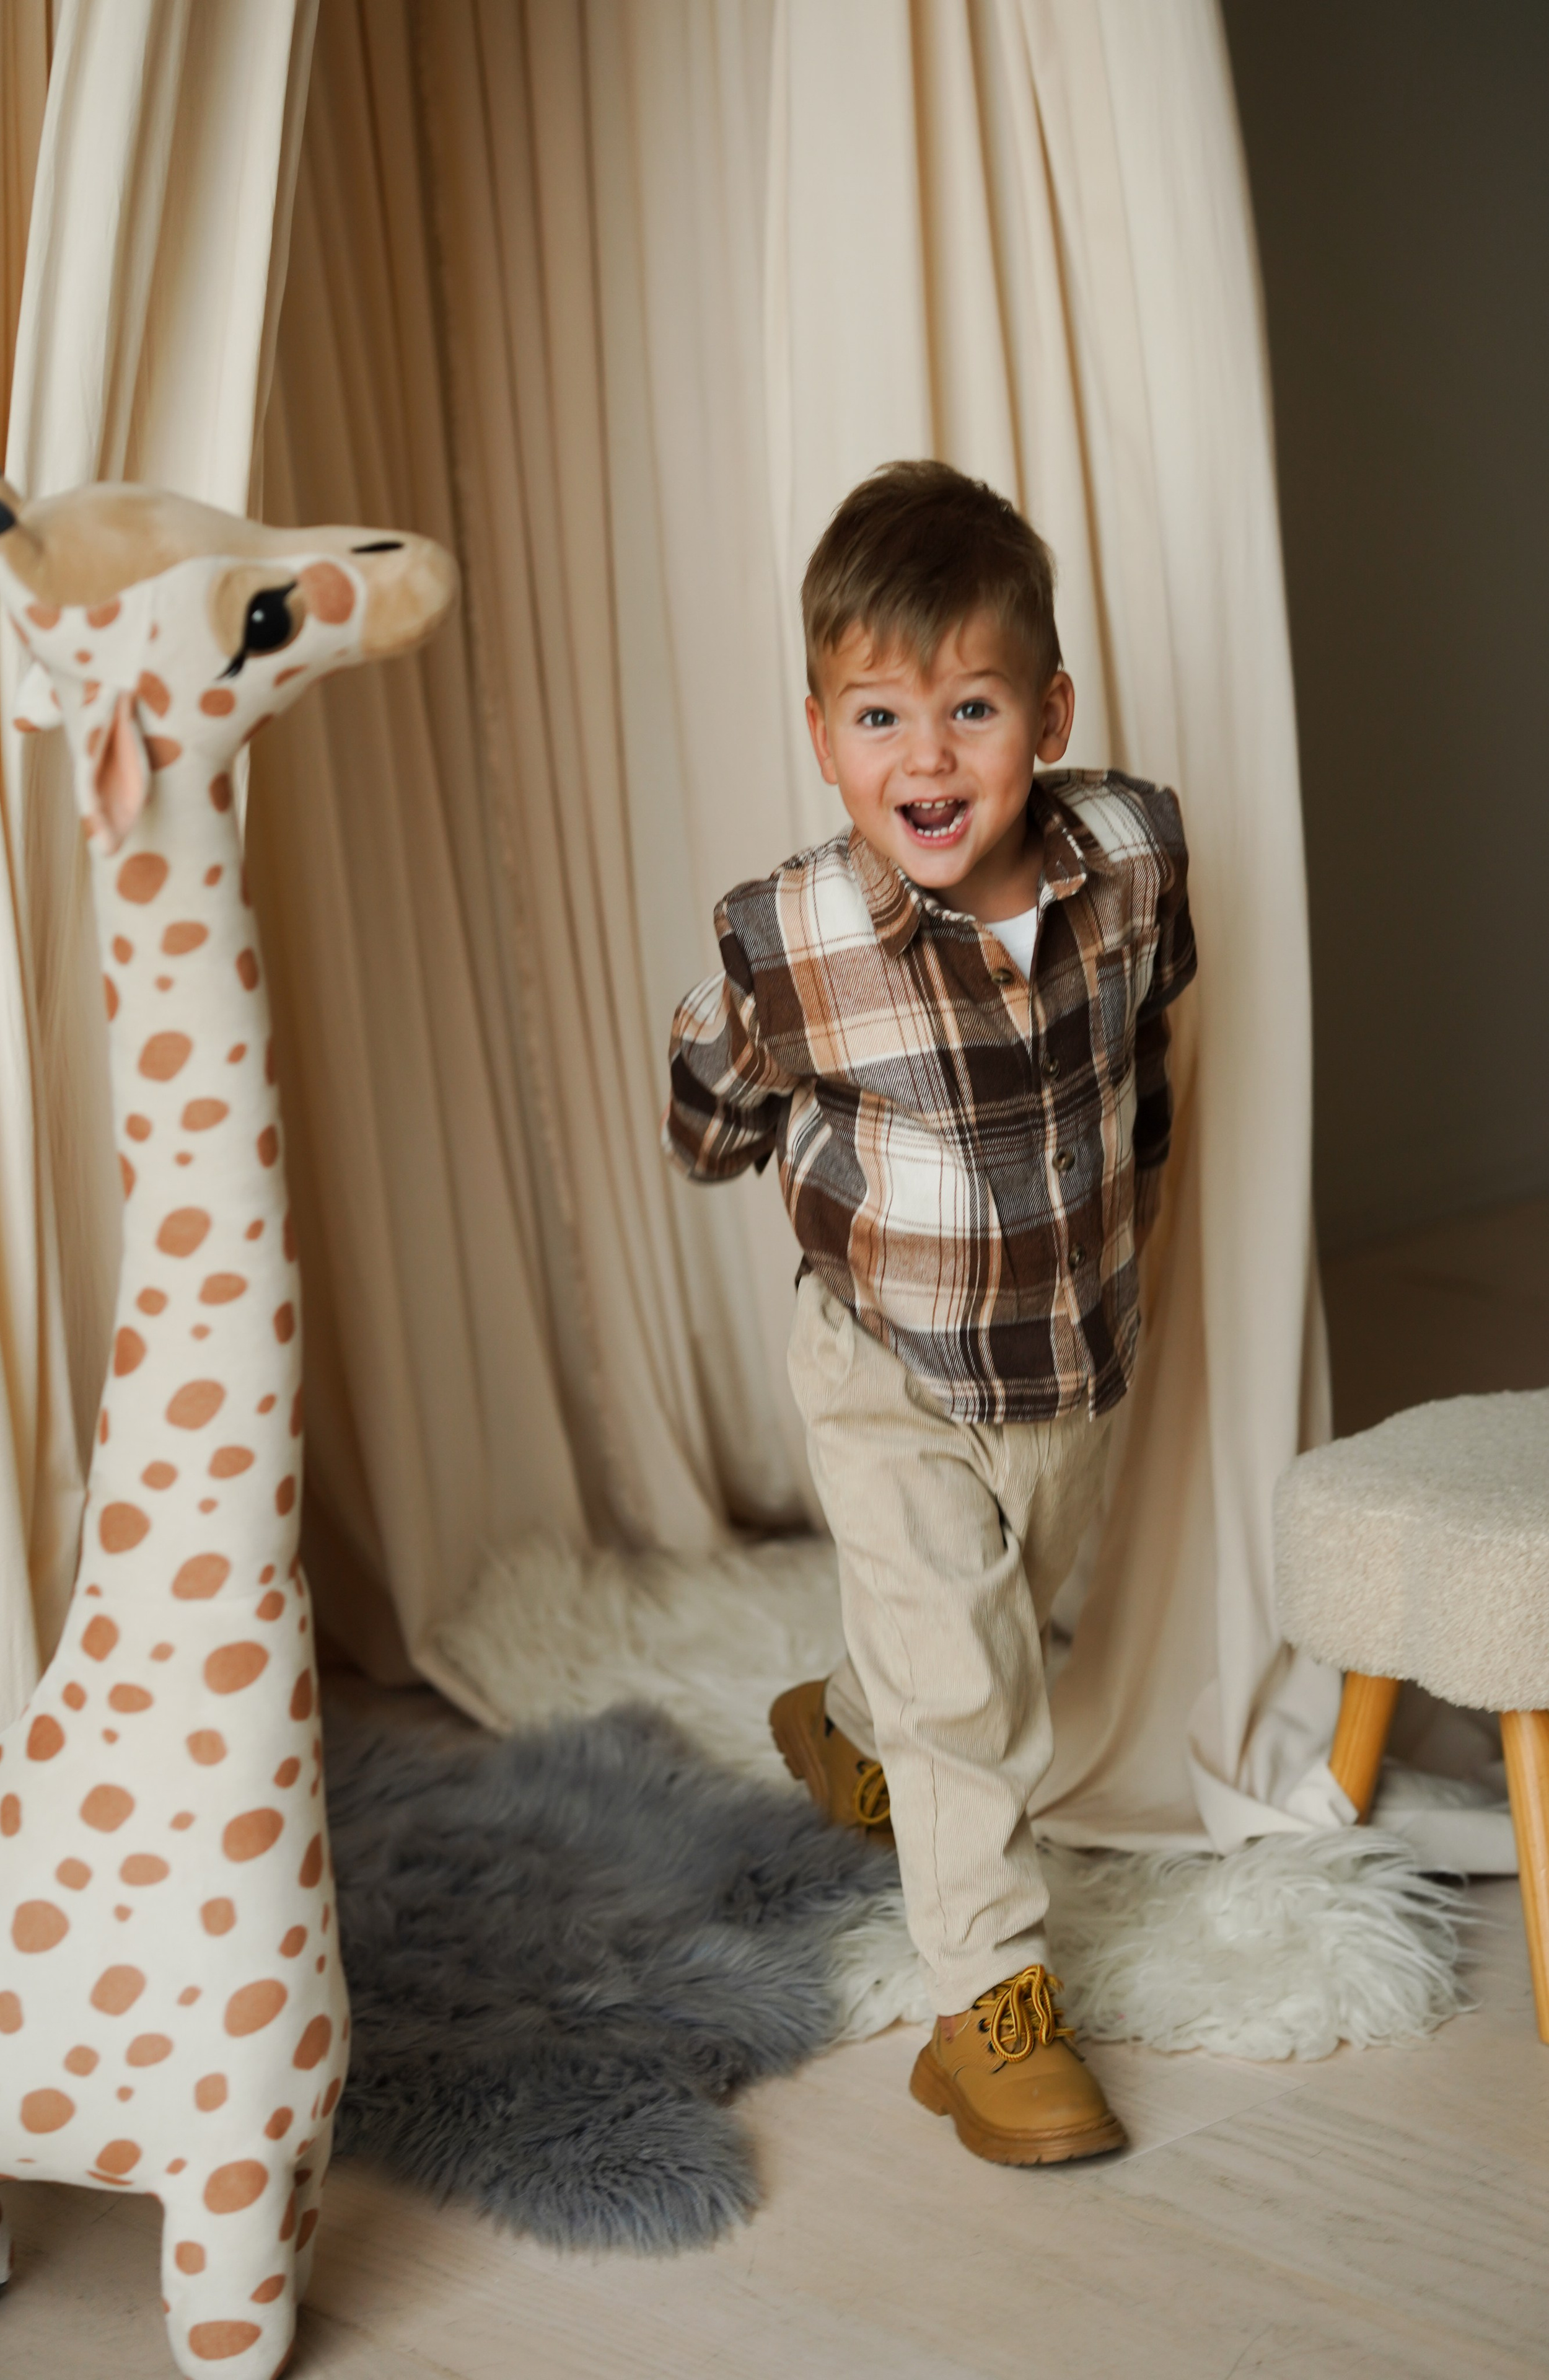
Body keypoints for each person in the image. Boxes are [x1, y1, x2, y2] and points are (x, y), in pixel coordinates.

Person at [662, 460, 1196, 2166]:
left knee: (997, 1639)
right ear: (823, 733)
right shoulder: (793, 941)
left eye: (971, 709)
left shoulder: (1131, 856)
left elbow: (1149, 1037)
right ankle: (990, 2010)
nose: (928, 759)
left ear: (1048, 711)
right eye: (881, 715)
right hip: (885, 1364)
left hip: (1071, 1354)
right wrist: (782, 1156)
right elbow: (706, 1105)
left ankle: (842, 1717)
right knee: (973, 1705)